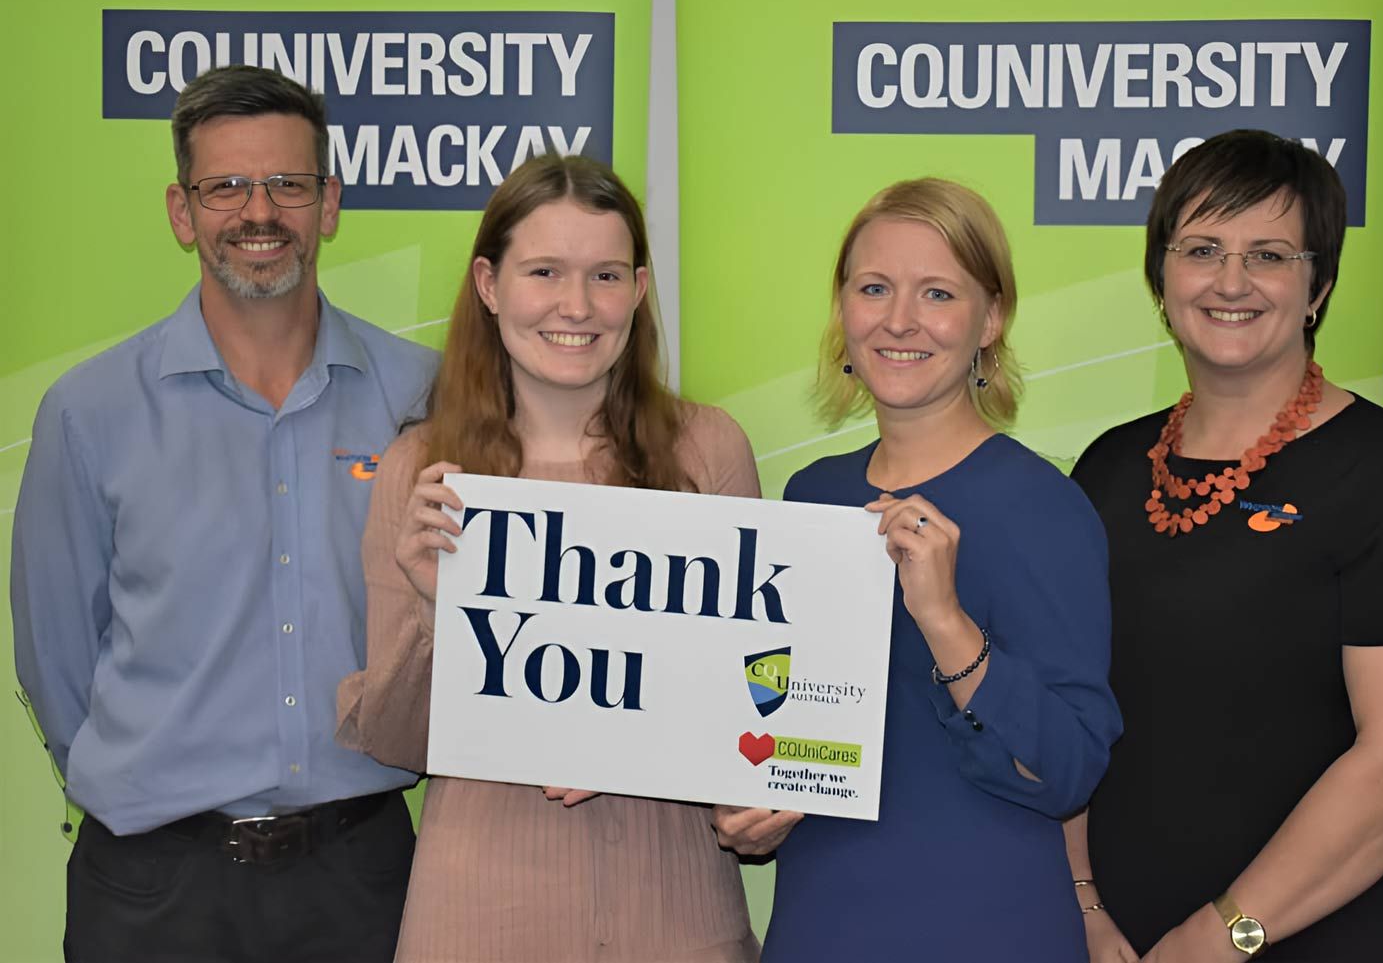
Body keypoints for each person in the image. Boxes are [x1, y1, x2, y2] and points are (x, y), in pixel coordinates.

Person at [10, 64, 436, 963]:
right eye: (225, 187)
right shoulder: (89, 413)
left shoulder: (421, 397)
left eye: (287, 183)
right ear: (180, 211)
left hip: (363, 880)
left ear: (329, 203)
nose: (259, 213)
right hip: (151, 889)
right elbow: (56, 661)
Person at [1065, 129, 1383, 963]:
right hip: (1122, 940)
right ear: (1161, 277)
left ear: (1318, 285)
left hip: (1329, 932)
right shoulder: (1108, 468)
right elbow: (1069, 704)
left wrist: (1226, 935)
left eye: (1268, 253)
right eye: (1202, 248)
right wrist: (1080, 903)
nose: (1231, 281)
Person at [335, 153, 762, 962]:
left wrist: (647, 744)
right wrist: (436, 610)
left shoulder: (708, 451)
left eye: (605, 275)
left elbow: (754, 697)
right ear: (490, 286)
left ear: (638, 291)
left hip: (675, 919)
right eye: (544, 272)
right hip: (482, 918)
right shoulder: (425, 472)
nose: (577, 305)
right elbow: (397, 744)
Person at [714, 178, 1121, 961]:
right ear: (843, 310)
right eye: (874, 289)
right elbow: (780, 711)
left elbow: (1070, 771)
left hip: (986, 930)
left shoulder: (1046, 506)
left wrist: (945, 619)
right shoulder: (813, 493)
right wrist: (749, 800)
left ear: (991, 317)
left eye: (937, 292)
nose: (899, 320)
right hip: (822, 921)